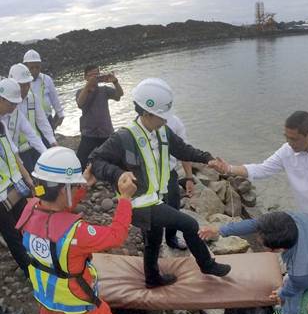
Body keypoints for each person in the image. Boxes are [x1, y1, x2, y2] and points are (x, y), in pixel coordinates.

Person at [15, 147, 151, 314]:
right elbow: (116, 235)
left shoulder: (30, 209)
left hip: (44, 292)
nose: (78, 188)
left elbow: (55, 205)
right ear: (63, 190)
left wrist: (83, 184)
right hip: (77, 302)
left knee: (48, 311)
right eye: (74, 186)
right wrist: (125, 199)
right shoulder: (78, 233)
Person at [210, 111, 308, 295]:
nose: (289, 143)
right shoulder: (286, 152)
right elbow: (261, 169)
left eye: (293, 139)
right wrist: (229, 168)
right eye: (286, 137)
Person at [90, 78, 230, 288]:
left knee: (154, 240)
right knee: (189, 224)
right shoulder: (124, 138)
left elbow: (183, 149)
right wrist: (118, 174)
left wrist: (208, 158)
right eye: (161, 117)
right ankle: (207, 265)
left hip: (156, 197)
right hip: (139, 203)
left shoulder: (162, 131)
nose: (165, 121)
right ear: (146, 113)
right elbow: (95, 159)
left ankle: (152, 278)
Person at [0, 78, 35, 277]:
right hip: (0, 195)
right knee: (11, 234)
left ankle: (38, 258)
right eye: (12, 103)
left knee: (28, 220)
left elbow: (13, 154)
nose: (14, 107)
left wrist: (27, 177)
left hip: (15, 187)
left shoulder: (1, 125)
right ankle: (30, 272)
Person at [8, 63, 56, 171]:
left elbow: (42, 121)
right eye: (21, 85)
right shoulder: (6, 105)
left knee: (41, 179)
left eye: (28, 84)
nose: (25, 89)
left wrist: (52, 141)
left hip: (35, 146)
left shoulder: (32, 98)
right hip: (17, 152)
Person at [75, 65, 123, 167]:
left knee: (114, 160)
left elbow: (119, 95)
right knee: (81, 162)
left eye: (97, 75)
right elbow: (80, 103)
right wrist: (88, 86)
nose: (95, 78)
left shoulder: (104, 90)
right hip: (89, 134)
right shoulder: (81, 92)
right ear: (85, 77)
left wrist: (115, 82)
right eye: (92, 75)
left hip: (106, 132)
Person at [164, 114, 195, 250]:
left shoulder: (175, 122)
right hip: (147, 174)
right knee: (149, 208)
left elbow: (184, 151)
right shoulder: (142, 120)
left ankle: (171, 238)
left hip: (169, 172)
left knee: (173, 205)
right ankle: (150, 241)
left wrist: (189, 178)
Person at [23, 49, 65, 131]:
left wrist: (60, 114)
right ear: (25, 67)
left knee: (49, 142)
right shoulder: (21, 83)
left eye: (37, 67)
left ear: (40, 66)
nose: (35, 70)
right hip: (29, 122)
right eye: (31, 68)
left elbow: (54, 99)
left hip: (47, 120)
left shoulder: (47, 79)